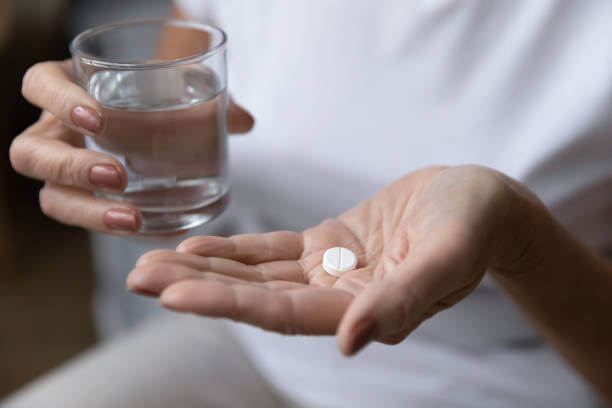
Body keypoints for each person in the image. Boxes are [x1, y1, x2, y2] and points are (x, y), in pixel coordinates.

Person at [4, 0, 612, 407]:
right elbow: (179, 64)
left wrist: (520, 237)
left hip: (523, 375)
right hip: (258, 334)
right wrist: (116, 124)